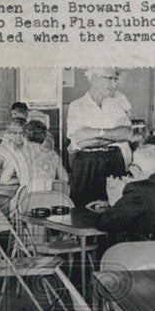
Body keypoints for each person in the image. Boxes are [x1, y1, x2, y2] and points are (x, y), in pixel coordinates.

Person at [88, 146, 155, 262]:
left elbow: (106, 222)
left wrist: (114, 200)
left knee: (115, 238)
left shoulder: (138, 190)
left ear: (136, 169)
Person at [65, 67, 133, 206]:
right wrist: (114, 137)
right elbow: (81, 142)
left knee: (114, 207)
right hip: (87, 165)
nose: (114, 84)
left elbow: (127, 134)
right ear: (95, 78)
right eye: (110, 79)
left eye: (115, 79)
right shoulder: (77, 106)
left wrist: (96, 132)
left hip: (114, 162)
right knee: (83, 213)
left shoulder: (116, 104)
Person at [0, 119, 67, 191]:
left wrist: (20, 180)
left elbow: (3, 181)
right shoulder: (53, 155)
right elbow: (65, 179)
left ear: (24, 137)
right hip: (49, 198)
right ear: (43, 137)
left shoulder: (18, 154)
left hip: (28, 199)